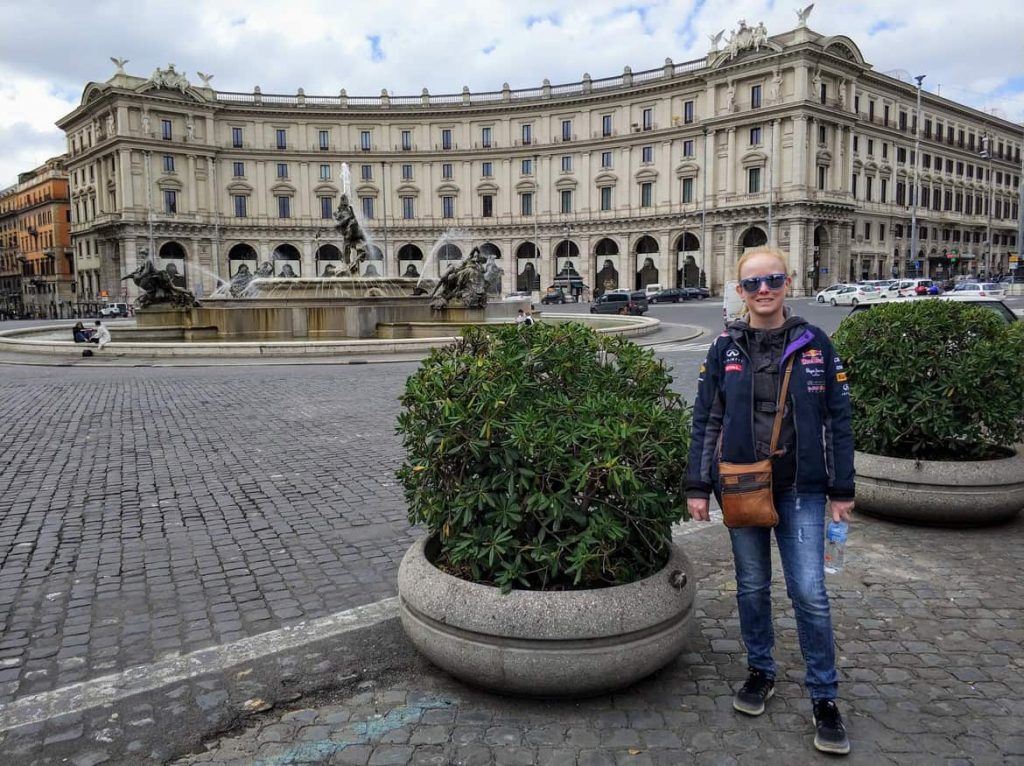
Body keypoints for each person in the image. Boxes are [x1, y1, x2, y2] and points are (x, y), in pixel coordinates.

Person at [686, 247, 855, 756]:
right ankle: (761, 670)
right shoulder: (724, 348)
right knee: (753, 585)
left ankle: (824, 696)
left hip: (802, 487)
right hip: (741, 486)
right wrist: (697, 486)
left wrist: (841, 489)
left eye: (773, 280)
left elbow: (838, 421)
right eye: (753, 283)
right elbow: (706, 419)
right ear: (740, 291)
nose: (764, 290)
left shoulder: (815, 343)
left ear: (788, 282)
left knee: (808, 592)